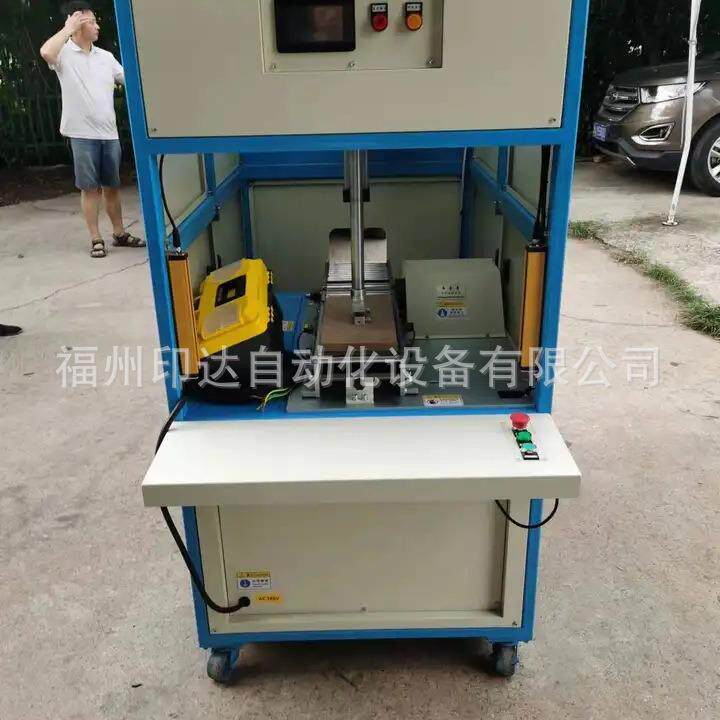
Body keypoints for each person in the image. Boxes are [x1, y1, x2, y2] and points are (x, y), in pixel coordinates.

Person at [40, 2, 145, 259]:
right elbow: (45, 51)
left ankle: (119, 233)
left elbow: (131, 80)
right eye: (92, 22)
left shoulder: (105, 57)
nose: (98, 26)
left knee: (112, 186)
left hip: (109, 133)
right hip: (82, 135)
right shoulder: (64, 54)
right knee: (90, 189)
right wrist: (68, 28)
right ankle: (96, 238)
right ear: (76, 24)